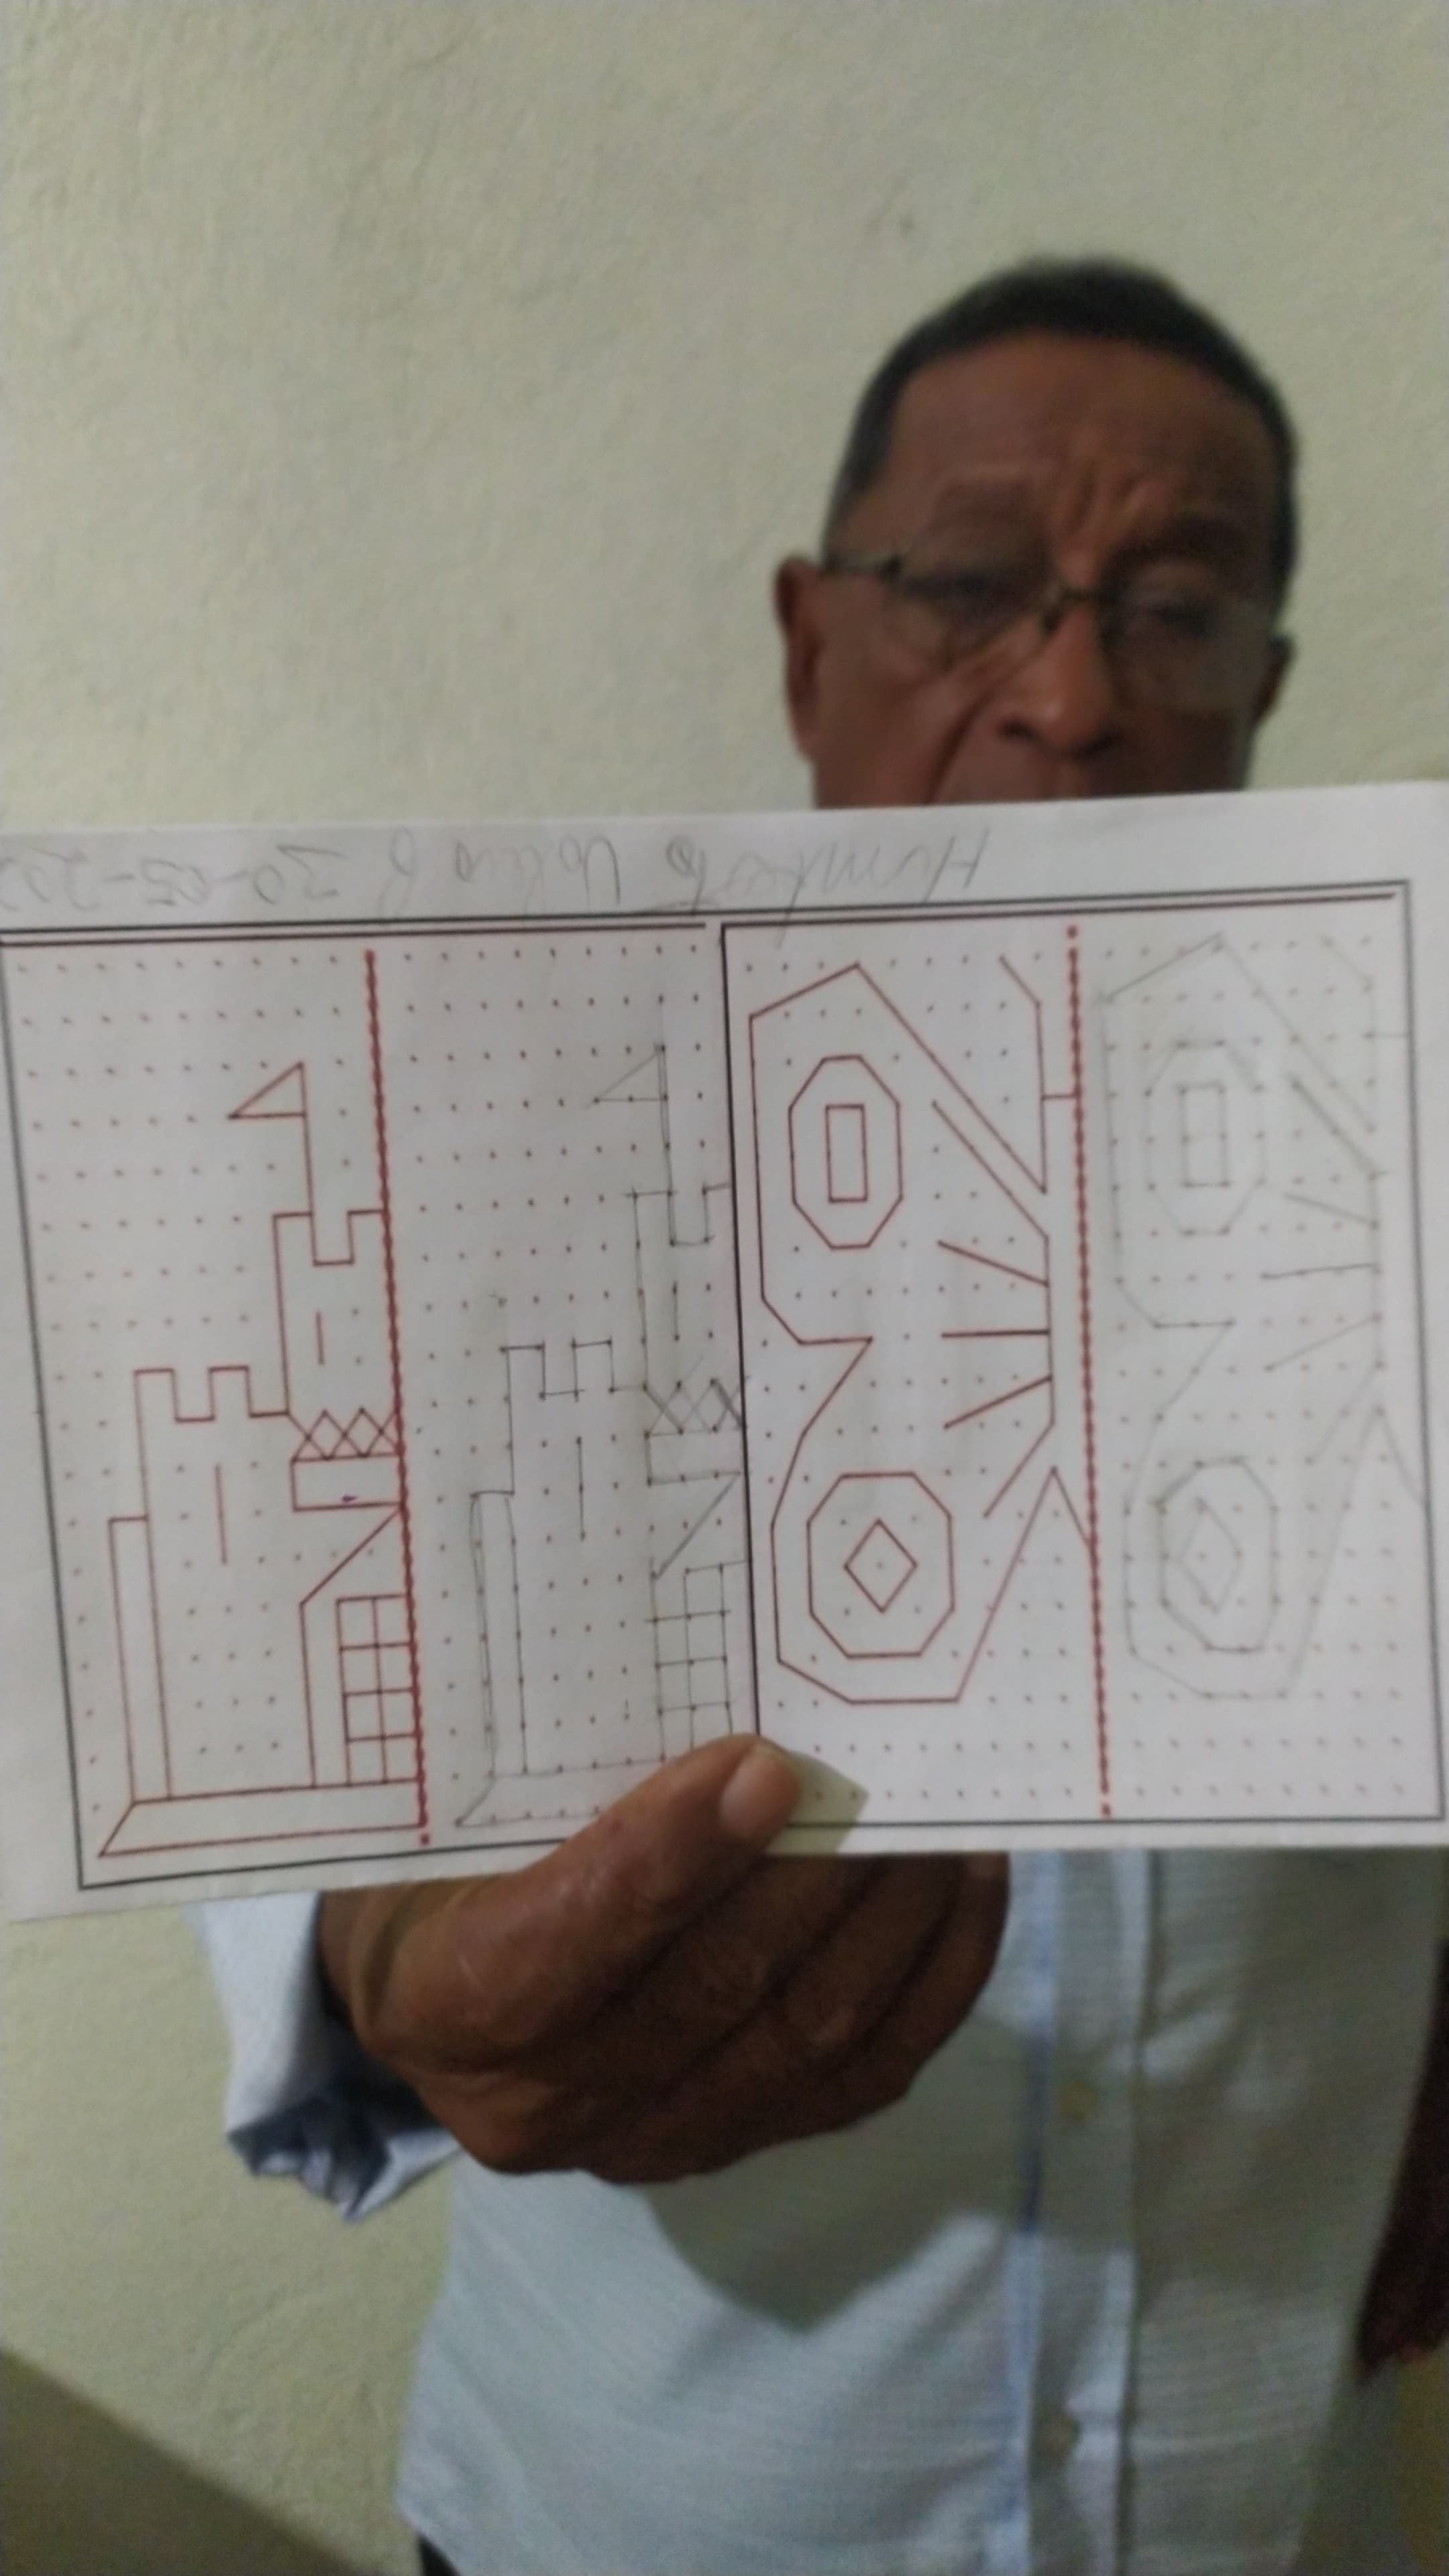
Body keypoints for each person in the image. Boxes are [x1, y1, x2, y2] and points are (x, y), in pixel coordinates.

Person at [199, 259, 1448, 2576]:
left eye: (1177, 612)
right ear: (809, 641)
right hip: (628, 2523)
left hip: (1265, 2507)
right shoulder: (477, 1142)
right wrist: (389, 1961)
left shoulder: (1416, 1136)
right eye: (970, 589)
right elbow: (296, 1747)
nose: (1071, 695)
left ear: (1266, 685)